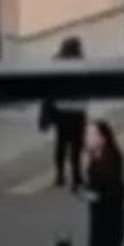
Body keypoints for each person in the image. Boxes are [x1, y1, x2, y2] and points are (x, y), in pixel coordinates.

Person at [39, 37, 89, 190]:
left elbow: (48, 88)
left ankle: (60, 175)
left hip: (61, 110)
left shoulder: (56, 63)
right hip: (77, 110)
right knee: (76, 145)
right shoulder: (81, 64)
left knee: (61, 142)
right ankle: (76, 177)